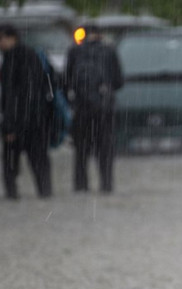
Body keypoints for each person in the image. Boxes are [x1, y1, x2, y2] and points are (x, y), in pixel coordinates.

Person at [0, 24, 53, 199]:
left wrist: (11, 126)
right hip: (36, 119)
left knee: (11, 167)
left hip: (23, 122)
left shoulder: (15, 58)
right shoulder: (28, 55)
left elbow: (16, 95)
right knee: (39, 164)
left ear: (12, 37)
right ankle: (45, 197)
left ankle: (14, 199)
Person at [64, 24, 123, 194]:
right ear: (100, 34)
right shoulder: (109, 51)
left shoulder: (74, 51)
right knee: (105, 150)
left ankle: (81, 186)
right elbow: (119, 81)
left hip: (81, 109)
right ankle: (106, 185)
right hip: (105, 110)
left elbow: (66, 81)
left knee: (81, 151)